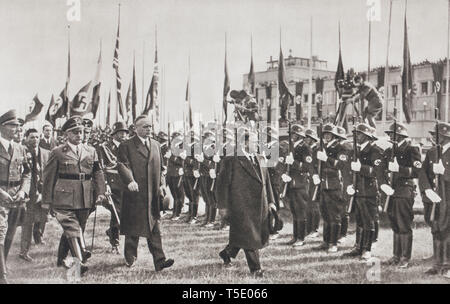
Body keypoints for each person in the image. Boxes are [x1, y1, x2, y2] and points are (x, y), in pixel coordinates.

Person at [42, 116, 106, 275]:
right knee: (72, 229)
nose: (79, 135)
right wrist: (46, 201)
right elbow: (49, 177)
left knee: (78, 228)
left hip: (85, 195)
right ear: (67, 135)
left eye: (82, 132)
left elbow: (97, 172)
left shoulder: (91, 151)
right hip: (64, 196)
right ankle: (79, 263)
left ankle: (61, 259)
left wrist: (101, 192)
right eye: (75, 132)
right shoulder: (57, 152)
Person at [117, 115, 174, 271]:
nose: (148, 129)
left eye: (150, 126)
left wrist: (162, 185)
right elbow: (122, 165)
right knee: (133, 228)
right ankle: (130, 256)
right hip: (136, 193)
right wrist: (130, 180)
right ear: (136, 129)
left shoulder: (155, 145)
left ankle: (160, 260)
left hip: (153, 194)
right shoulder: (126, 146)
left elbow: (162, 168)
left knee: (154, 227)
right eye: (145, 127)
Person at [217, 128, 275, 277]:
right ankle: (256, 269)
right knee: (250, 236)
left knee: (243, 235)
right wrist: (222, 207)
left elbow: (267, 182)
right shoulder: (232, 159)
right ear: (245, 142)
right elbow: (222, 185)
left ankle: (226, 253)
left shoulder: (260, 158)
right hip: (241, 205)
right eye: (255, 142)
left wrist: (271, 202)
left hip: (260, 205)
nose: (257, 145)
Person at [343, 123, 387, 261]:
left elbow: (377, 171)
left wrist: (361, 168)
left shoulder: (375, 150)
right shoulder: (356, 150)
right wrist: (350, 184)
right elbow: (348, 169)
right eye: (355, 134)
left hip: (369, 190)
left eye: (359, 134)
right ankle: (359, 247)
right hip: (358, 189)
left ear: (367, 135)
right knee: (360, 220)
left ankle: (367, 249)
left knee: (369, 220)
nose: (357, 137)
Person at [383, 122, 421, 268]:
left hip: (405, 190)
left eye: (392, 134)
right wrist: (384, 185)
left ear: (400, 135)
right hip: (391, 190)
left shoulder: (411, 149)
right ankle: (396, 255)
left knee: (403, 224)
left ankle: (405, 257)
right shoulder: (389, 150)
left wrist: (400, 169)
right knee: (395, 224)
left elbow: (417, 171)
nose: (390, 137)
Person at [0, 110, 31, 284]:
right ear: (2, 127)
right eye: (13, 125)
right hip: (0, 196)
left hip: (16, 197)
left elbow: (27, 173)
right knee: (0, 232)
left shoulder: (20, 148)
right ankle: (2, 276)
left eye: (18, 126)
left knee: (10, 233)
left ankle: (1, 265)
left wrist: (23, 190)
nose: (17, 129)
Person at [418, 122, 450, 278]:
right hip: (435, 197)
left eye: (436, 135)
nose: (433, 137)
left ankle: (447, 264)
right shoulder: (431, 153)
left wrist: (445, 173)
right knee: (436, 228)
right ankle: (437, 264)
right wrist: (427, 189)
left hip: (448, 198)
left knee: (447, 230)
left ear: (444, 136)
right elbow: (422, 173)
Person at [314, 124, 352, 253]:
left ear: (334, 135)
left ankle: (333, 243)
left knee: (334, 215)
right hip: (324, 184)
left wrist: (327, 159)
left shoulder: (340, 147)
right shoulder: (323, 146)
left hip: (335, 184)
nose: (326, 136)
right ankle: (326, 241)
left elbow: (342, 164)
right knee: (325, 214)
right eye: (325, 134)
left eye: (329, 134)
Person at [97, 121, 129, 254]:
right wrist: (105, 185)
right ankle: (115, 242)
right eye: (120, 133)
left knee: (123, 213)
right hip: (112, 185)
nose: (123, 135)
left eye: (125, 133)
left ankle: (111, 233)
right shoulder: (105, 147)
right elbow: (101, 167)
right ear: (114, 135)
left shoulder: (128, 147)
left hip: (126, 184)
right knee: (117, 213)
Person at [19, 128, 50, 262]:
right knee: (28, 222)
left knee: (43, 217)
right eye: (32, 137)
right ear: (26, 138)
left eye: (37, 137)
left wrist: (44, 192)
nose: (35, 140)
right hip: (29, 193)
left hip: (43, 192)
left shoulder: (46, 153)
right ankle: (24, 251)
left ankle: (39, 237)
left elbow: (48, 174)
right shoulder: (22, 152)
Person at [283, 124, 315, 247]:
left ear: (300, 135)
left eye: (294, 134)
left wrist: (294, 163)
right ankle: (296, 236)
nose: (292, 136)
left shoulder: (305, 148)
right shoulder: (292, 147)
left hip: (301, 183)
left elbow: (308, 167)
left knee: (301, 211)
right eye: (291, 134)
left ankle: (301, 238)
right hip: (292, 182)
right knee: (294, 211)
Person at [303, 128, 322, 240]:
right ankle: (308, 228)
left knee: (314, 205)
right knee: (309, 205)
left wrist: (315, 175)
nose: (305, 139)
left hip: (317, 179)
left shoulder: (317, 149)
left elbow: (313, 165)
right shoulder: (309, 149)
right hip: (311, 178)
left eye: (307, 138)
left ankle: (314, 229)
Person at [165, 131, 185, 221]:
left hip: (178, 173)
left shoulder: (182, 148)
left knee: (178, 195)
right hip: (170, 173)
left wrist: (171, 157)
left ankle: (177, 213)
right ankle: (174, 212)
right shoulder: (172, 147)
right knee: (174, 195)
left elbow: (182, 161)